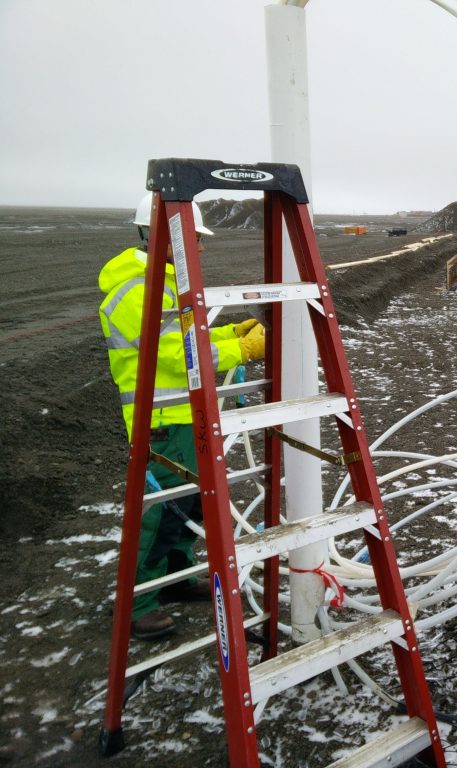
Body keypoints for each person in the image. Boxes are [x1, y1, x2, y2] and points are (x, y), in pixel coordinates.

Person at [98, 193, 267, 640]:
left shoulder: (163, 282)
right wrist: (243, 349)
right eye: (193, 238)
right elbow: (179, 355)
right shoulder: (138, 289)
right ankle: (138, 605)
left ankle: (174, 577)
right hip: (162, 420)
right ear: (162, 236)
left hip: (183, 417)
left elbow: (192, 336)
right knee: (163, 511)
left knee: (190, 504)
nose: (201, 248)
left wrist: (234, 331)